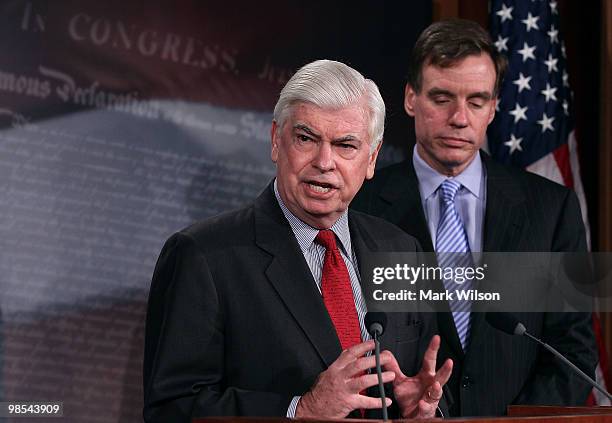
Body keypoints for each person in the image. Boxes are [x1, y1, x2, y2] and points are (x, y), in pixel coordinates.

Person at [143, 59, 453, 422]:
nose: (324, 162)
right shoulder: (203, 256)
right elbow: (171, 408)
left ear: (371, 159)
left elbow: (424, 386)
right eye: (306, 138)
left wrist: (421, 413)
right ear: (277, 140)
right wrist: (300, 411)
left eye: (345, 146)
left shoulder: (402, 250)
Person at [352, 19, 597, 417]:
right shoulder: (359, 205)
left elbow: (575, 348)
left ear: (494, 107)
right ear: (411, 98)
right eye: (442, 98)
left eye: (477, 101)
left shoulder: (553, 209)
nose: (460, 118)